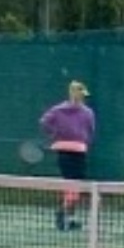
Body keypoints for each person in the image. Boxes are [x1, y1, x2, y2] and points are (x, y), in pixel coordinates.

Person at [39, 80, 95, 231]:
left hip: (72, 150)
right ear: (72, 93)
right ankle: (64, 214)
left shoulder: (80, 112)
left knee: (72, 184)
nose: (80, 97)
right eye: (79, 93)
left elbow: (44, 122)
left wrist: (54, 134)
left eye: (82, 94)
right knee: (74, 184)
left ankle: (68, 217)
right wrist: (56, 134)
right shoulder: (82, 112)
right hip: (72, 150)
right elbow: (91, 131)